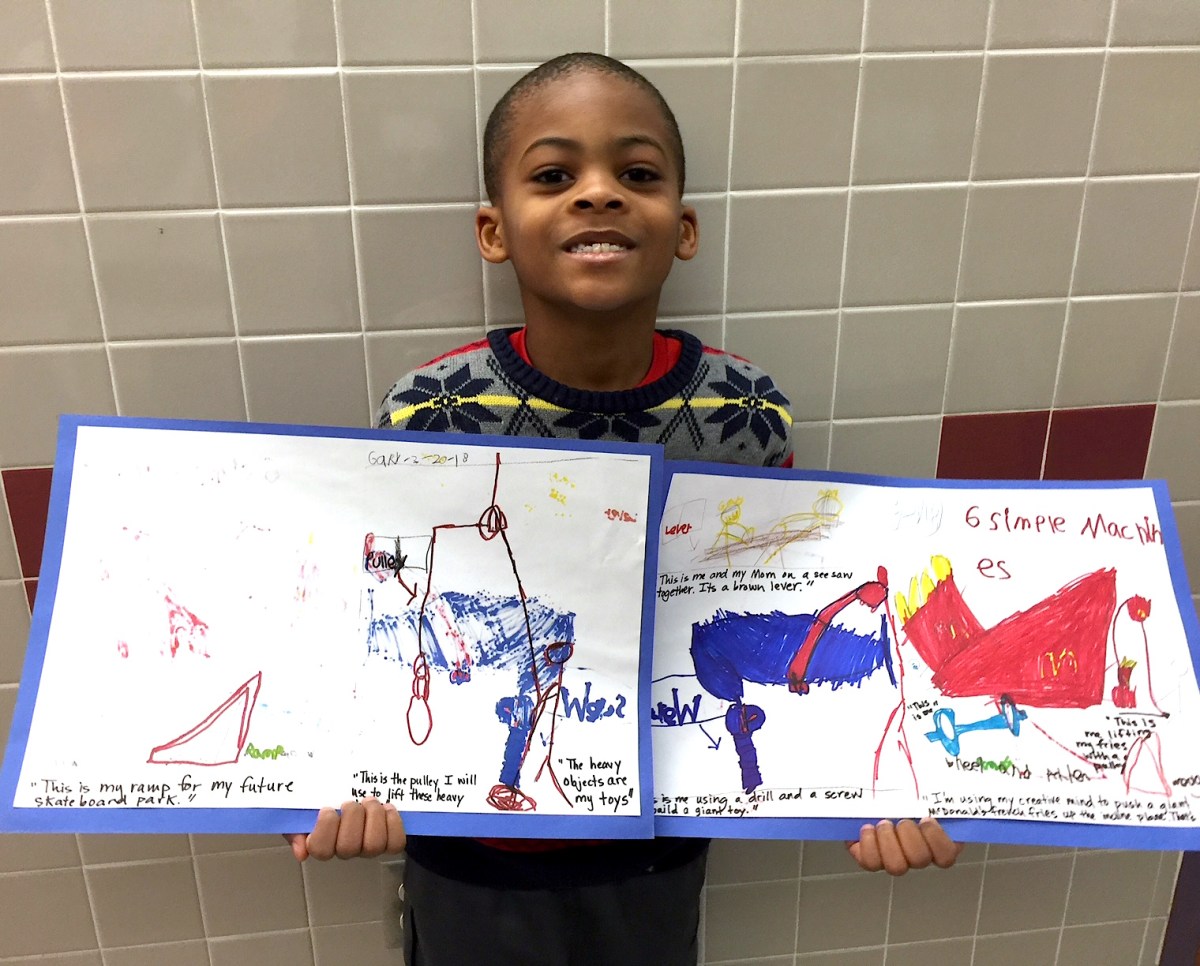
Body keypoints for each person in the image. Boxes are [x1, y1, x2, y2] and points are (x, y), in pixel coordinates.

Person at [286, 52, 962, 964]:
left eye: (636, 174)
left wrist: (873, 785)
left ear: (684, 228)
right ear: (493, 230)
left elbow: (775, 614)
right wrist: (316, 777)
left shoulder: (743, 412)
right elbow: (376, 614)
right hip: (469, 852)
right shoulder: (430, 410)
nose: (598, 193)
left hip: (659, 846)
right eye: (553, 176)